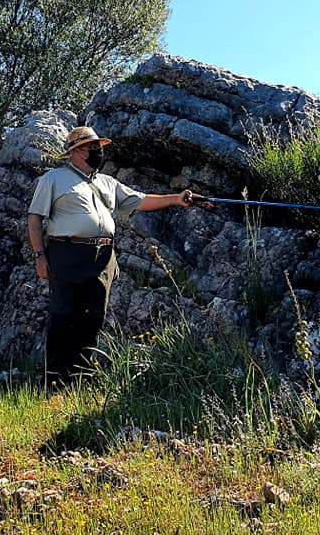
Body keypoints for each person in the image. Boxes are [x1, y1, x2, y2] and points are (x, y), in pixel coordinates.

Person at [27, 125, 199, 384]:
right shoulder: (53, 179)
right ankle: (55, 380)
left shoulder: (107, 183)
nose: (98, 151)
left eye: (99, 147)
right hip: (66, 252)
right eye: (92, 147)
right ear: (76, 151)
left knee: (94, 317)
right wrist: (40, 255)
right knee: (64, 315)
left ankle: (82, 378)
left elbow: (141, 200)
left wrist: (177, 198)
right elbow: (34, 217)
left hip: (102, 256)